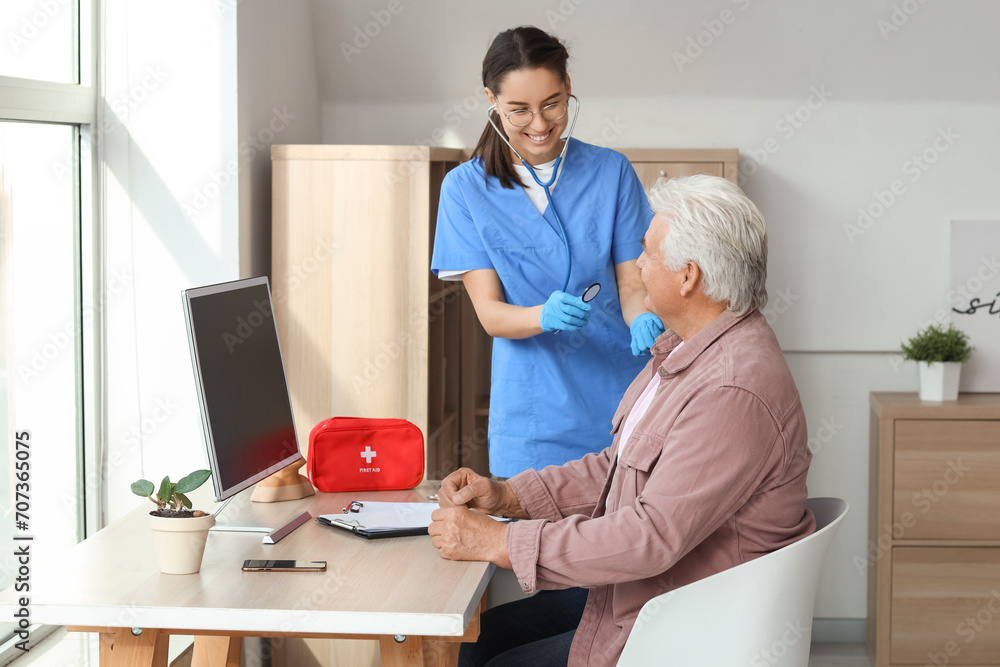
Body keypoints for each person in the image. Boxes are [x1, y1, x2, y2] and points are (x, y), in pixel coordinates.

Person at [428, 174, 817, 667]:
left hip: (689, 618)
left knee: (491, 659)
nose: (636, 264)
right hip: (659, 591)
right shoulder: (690, 350)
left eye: (648, 253)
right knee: (480, 637)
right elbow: (619, 467)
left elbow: (649, 536)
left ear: (688, 276)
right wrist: (507, 496)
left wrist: (502, 541)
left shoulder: (731, 388)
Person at [431, 26, 664, 478]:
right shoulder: (463, 189)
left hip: (618, 395)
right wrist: (543, 315)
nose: (539, 125)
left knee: (623, 539)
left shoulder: (610, 171)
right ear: (492, 100)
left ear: (568, 89)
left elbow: (632, 283)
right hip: (534, 415)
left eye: (552, 105)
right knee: (532, 543)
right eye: (519, 110)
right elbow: (490, 314)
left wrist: (642, 319)